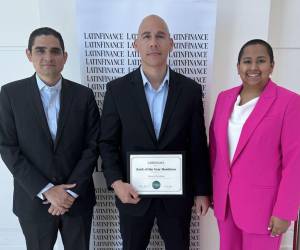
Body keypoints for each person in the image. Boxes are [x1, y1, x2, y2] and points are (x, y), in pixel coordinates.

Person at [99, 15, 211, 250]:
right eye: (146, 36)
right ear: (135, 45)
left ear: (171, 43)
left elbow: (198, 145)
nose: (153, 43)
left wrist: (202, 191)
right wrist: (117, 182)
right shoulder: (117, 90)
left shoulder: (190, 90)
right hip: (132, 195)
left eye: (160, 36)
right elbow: (107, 143)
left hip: (177, 198)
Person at [0, 27, 100, 250]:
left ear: (64, 57)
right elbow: (8, 147)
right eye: (40, 51)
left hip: (77, 200)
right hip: (33, 201)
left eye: (55, 51)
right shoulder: (10, 94)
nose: (48, 57)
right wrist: (47, 190)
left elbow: (92, 146)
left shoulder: (84, 96)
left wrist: (68, 193)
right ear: (29, 55)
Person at [210, 39, 300, 250]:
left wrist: (285, 211)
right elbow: (214, 150)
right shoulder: (224, 99)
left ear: (271, 66)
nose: (253, 67)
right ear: (238, 67)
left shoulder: (290, 103)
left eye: (261, 61)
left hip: (264, 209)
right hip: (226, 204)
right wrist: (212, 191)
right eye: (246, 61)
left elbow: (295, 162)